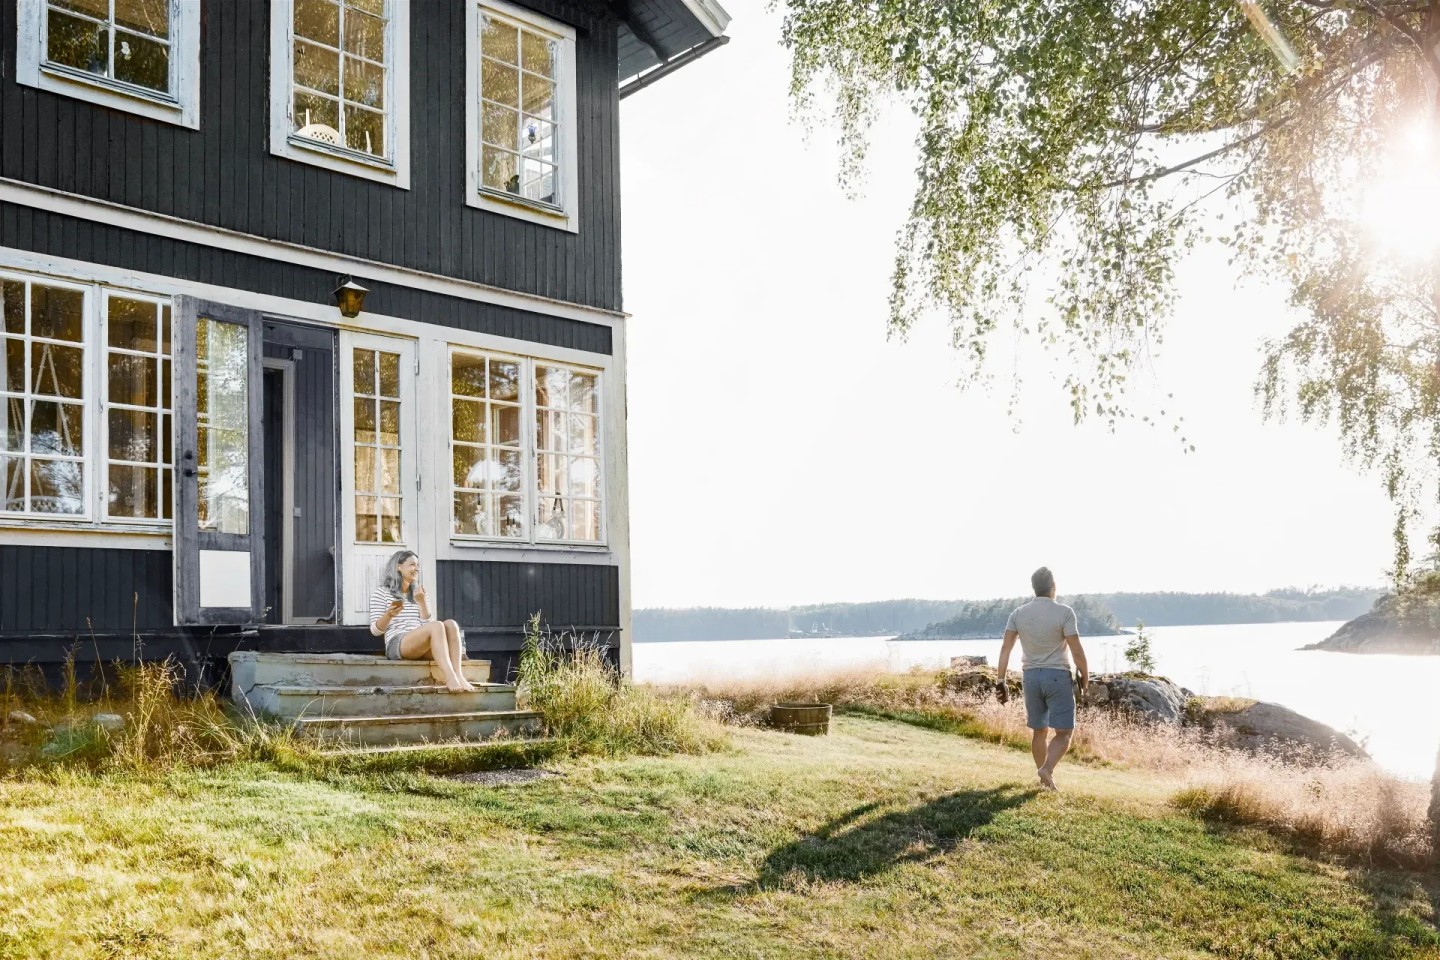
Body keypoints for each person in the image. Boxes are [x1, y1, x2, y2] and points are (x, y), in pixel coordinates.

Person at [995, 566, 1089, 791]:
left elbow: (1005, 648)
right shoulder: (1064, 612)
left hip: (1031, 678)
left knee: (1039, 731)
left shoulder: (1017, 614)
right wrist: (1085, 677)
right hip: (1057, 676)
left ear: (1034, 588)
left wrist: (1001, 681)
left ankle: (1044, 781)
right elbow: (1076, 651)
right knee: (1064, 733)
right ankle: (1047, 769)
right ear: (1053, 587)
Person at [368, 549, 475, 693]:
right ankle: (450, 677)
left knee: (450, 624)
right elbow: (375, 631)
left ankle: (459, 675)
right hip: (397, 643)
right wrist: (388, 615)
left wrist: (422, 602)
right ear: (398, 567)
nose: (416, 569)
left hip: (419, 644)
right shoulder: (381, 593)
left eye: (417, 565)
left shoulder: (419, 593)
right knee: (437, 625)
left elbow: (428, 626)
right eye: (412, 564)